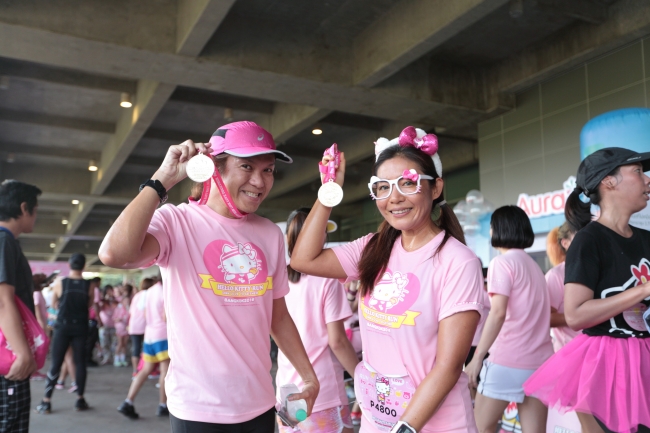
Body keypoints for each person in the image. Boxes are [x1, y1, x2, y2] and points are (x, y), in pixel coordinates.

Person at [99, 121, 319, 432]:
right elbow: (113, 254)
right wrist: (163, 180)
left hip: (259, 403)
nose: (259, 181)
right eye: (246, 166)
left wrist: (309, 377)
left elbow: (278, 315)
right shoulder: (176, 222)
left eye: (268, 170)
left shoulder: (270, 233)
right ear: (213, 168)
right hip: (197, 409)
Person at [291, 126, 485, 433]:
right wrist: (329, 191)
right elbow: (303, 259)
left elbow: (447, 368)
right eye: (382, 187)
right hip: (376, 419)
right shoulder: (373, 249)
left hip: (435, 425)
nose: (394, 198)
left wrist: (403, 428)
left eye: (407, 183)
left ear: (435, 188)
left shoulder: (458, 262)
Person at [524, 148, 650, 433]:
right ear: (609, 181)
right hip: (611, 364)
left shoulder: (646, 239)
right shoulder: (589, 240)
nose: (647, 180)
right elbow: (576, 314)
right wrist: (642, 291)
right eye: (638, 172)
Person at [464, 206, 553, 433]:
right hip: (541, 363)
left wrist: (477, 358)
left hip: (508, 361)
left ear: (498, 229)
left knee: (480, 427)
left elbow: (498, 312)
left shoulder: (501, 263)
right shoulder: (535, 268)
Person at [276, 208, 359, 433]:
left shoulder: (278, 279)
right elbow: (337, 341)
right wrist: (362, 378)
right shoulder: (328, 280)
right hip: (324, 392)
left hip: (287, 389)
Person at [0, 180, 41, 433]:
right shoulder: (4, 241)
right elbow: (3, 301)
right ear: (24, 208)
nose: (36, 217)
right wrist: (23, 353)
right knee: (11, 424)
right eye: (36, 210)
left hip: (7, 348)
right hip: (9, 353)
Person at [35, 253, 93, 414]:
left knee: (56, 363)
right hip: (80, 327)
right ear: (83, 267)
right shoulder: (89, 285)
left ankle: (46, 401)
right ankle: (80, 400)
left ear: (69, 265)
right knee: (80, 362)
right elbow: (89, 304)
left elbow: (54, 303)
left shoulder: (61, 283)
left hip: (63, 327)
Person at [118, 279, 169, 417]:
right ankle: (163, 405)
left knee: (145, 370)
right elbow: (166, 317)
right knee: (165, 371)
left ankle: (128, 401)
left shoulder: (149, 292)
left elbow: (145, 314)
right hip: (162, 335)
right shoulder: (165, 290)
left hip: (149, 336)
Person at [546, 222, 580, 352]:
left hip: (598, 351)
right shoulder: (555, 275)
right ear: (564, 243)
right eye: (578, 238)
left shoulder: (598, 269)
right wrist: (583, 315)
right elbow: (547, 318)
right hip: (569, 353)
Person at [128, 278, 153, 377]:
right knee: (145, 349)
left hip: (134, 325)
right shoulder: (149, 294)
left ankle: (135, 371)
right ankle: (146, 370)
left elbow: (131, 311)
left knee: (136, 348)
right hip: (144, 325)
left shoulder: (137, 295)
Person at [86, 276, 102, 367]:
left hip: (88, 318)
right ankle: (88, 359)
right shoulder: (95, 290)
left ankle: (87, 358)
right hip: (92, 319)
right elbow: (95, 305)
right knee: (91, 340)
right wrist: (99, 318)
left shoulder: (88, 289)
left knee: (89, 340)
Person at [99, 285, 116, 365]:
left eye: (111, 290)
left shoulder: (116, 300)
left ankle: (114, 357)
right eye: (108, 291)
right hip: (104, 324)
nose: (110, 292)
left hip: (114, 324)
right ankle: (106, 357)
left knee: (114, 342)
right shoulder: (102, 301)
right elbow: (99, 308)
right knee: (104, 342)